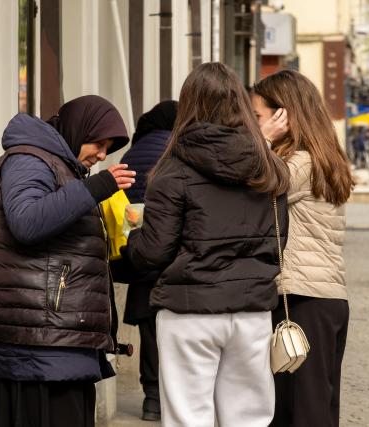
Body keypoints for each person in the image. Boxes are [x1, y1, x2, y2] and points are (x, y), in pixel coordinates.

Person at [126, 62, 290, 427]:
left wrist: (131, 241)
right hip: (251, 309)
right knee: (249, 419)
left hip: (189, 308)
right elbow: (279, 241)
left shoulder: (172, 170)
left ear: (188, 105)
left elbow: (153, 251)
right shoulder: (270, 166)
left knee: (188, 418)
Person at [0, 95, 136, 427]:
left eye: (108, 148)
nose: (102, 155)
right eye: (98, 143)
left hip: (55, 341)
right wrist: (96, 188)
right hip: (41, 343)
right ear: (78, 130)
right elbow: (27, 222)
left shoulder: (59, 166)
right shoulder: (29, 159)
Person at [252, 69, 355, 426]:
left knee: (301, 411)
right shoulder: (322, 158)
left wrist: (263, 140)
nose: (253, 125)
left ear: (284, 116)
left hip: (303, 299)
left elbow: (252, 184)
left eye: (258, 116)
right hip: (326, 297)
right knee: (317, 408)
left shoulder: (299, 164)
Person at [113, 100, 178, 421]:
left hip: (140, 255)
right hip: (173, 258)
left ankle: (152, 398)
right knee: (176, 333)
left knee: (150, 331)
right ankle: (173, 398)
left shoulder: (131, 155)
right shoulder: (176, 150)